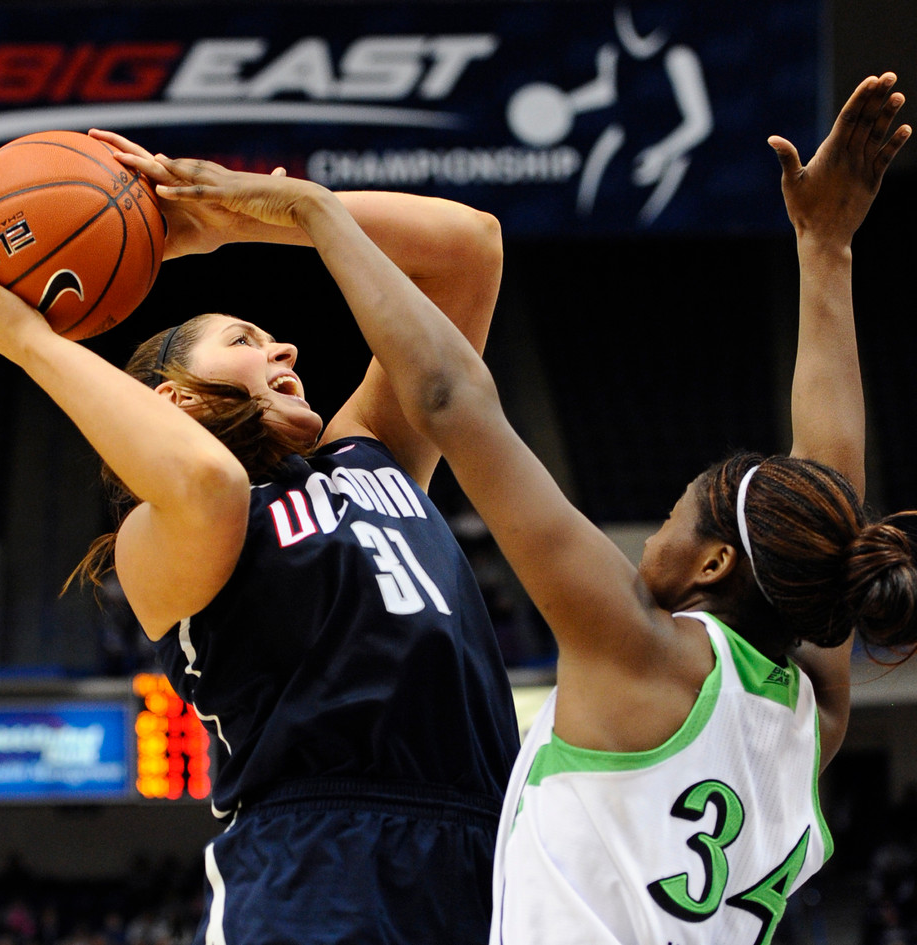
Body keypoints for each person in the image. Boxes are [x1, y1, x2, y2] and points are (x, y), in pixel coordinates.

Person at [83, 72, 917, 944]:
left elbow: (456, 341)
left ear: (716, 563)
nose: (282, 344)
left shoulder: (631, 637)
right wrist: (827, 250)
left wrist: (301, 210)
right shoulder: (805, 709)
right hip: (323, 845)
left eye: (676, 512)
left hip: (468, 844)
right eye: (243, 339)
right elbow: (832, 503)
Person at [0, 157, 521, 941]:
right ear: (174, 399)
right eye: (247, 340)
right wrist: (24, 340)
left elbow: (469, 249)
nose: (286, 349)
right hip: (320, 865)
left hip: (490, 846)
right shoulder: (160, 534)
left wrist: (251, 219)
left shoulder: (369, 451)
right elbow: (206, 476)